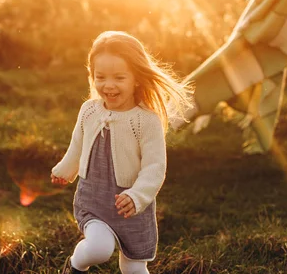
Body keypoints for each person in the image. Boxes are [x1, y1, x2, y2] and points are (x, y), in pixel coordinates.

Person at [50, 31, 192, 274]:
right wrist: (64, 170)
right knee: (99, 249)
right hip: (93, 199)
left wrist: (137, 196)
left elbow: (154, 168)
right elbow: (78, 144)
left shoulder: (147, 121)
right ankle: (74, 265)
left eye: (119, 77)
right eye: (100, 77)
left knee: (134, 268)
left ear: (137, 78)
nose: (108, 85)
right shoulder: (89, 110)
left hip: (131, 206)